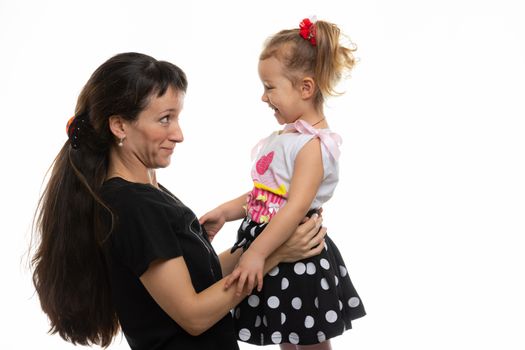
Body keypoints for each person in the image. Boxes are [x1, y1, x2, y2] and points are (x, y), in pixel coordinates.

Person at [30, 52, 328, 350]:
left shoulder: (148, 193)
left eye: (176, 117)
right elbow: (193, 316)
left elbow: (200, 281)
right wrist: (272, 257)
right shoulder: (132, 205)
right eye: (164, 119)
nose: (178, 134)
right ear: (119, 126)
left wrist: (269, 246)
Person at [199, 18, 366, 349]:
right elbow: (266, 196)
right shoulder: (288, 137)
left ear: (305, 88)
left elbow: (296, 206)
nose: (264, 97)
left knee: (309, 340)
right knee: (287, 336)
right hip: (273, 248)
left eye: (270, 87)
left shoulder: (313, 145)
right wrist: (225, 211)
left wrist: (256, 254)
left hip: (297, 255)